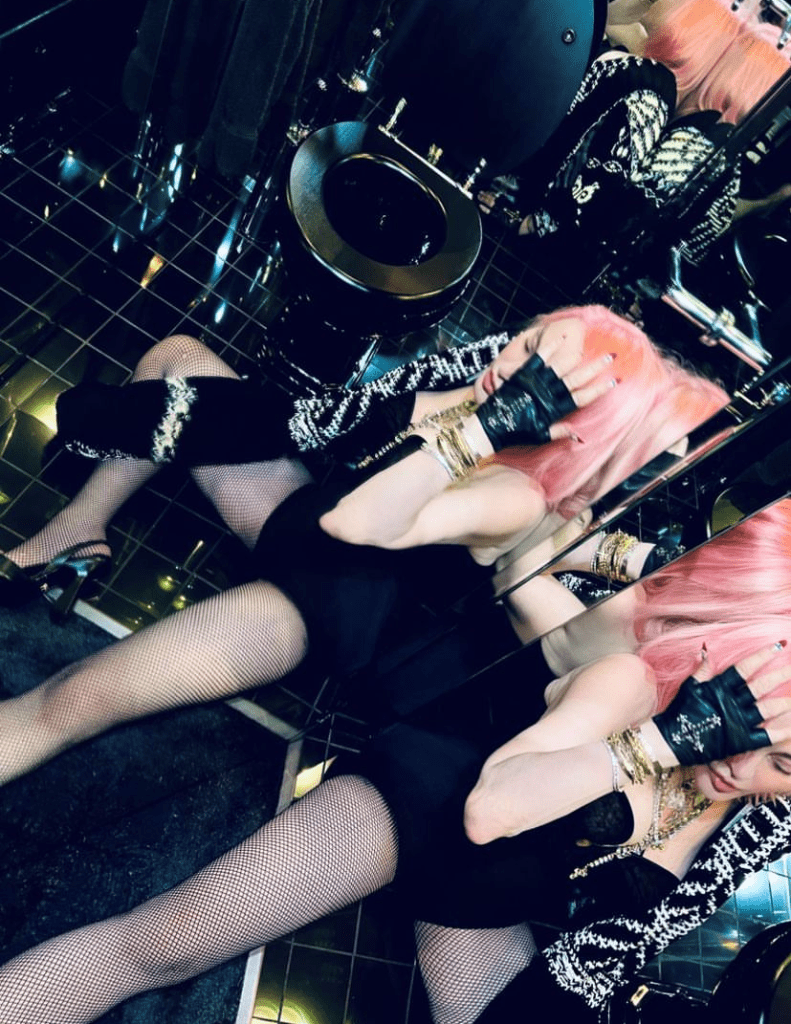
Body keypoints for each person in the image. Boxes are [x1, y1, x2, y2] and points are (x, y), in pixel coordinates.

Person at [0, 305, 728, 787]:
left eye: (541, 377)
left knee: (79, 695)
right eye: (531, 343)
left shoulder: (518, 492)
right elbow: (334, 422)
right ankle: (79, 531)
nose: (514, 365)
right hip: (299, 515)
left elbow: (357, 525)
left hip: (325, 602)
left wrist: (483, 425)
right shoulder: (485, 378)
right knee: (177, 355)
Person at [2, 636, 791, 1023]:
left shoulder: (750, 829)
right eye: (749, 734)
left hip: (491, 900)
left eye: (781, 765)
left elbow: (616, 941)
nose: (741, 765)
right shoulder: (633, 687)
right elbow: (492, 810)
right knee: (167, 942)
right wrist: (663, 742)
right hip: (429, 806)